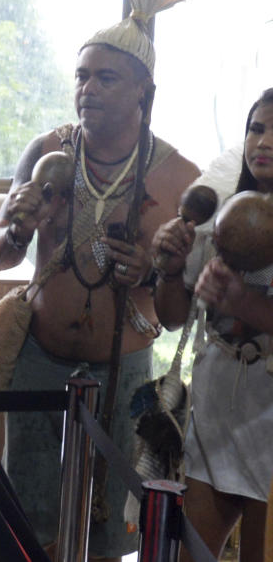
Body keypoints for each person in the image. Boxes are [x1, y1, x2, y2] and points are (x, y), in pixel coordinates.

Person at [0, 0, 199, 561]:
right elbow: (2, 256)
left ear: (144, 91)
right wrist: (26, 224)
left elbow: (178, 314)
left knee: (109, 531)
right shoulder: (48, 150)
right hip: (39, 359)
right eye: (81, 75)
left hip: (124, 368)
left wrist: (148, 276)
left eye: (106, 78)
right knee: (25, 521)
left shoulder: (179, 176)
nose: (87, 89)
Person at [152, 89, 273, 562]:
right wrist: (168, 265)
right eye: (257, 128)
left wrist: (243, 301)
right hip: (217, 404)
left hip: (270, 417)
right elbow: (171, 317)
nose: (263, 141)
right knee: (190, 555)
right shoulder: (218, 219)